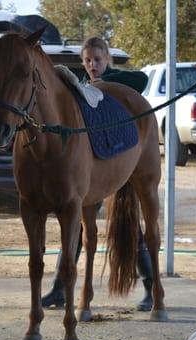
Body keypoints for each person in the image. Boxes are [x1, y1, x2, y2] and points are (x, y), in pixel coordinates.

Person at [42, 37, 153, 311]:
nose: (93, 65)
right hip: (90, 161)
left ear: (107, 60)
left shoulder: (114, 79)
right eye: (88, 60)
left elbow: (141, 80)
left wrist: (106, 82)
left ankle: (150, 284)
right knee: (77, 224)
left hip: (118, 155)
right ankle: (60, 286)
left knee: (130, 222)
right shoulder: (78, 84)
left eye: (98, 60)